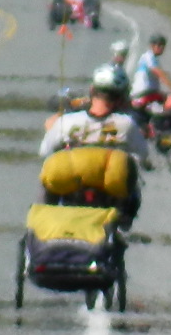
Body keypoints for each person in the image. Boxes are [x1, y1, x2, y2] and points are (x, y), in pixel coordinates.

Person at [39, 64, 149, 225]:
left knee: (48, 179)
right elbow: (142, 154)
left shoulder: (67, 121)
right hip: (110, 190)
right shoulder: (127, 124)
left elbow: (45, 152)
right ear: (121, 98)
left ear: (92, 90)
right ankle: (123, 224)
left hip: (72, 186)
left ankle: (41, 227)